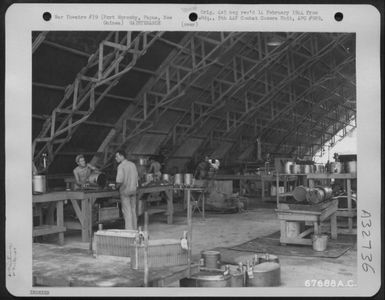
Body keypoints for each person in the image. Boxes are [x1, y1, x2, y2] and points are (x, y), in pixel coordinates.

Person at [115, 150, 139, 230]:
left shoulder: (121, 166)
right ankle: (135, 229)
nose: (116, 158)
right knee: (133, 210)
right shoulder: (133, 165)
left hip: (125, 191)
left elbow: (119, 181)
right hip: (133, 190)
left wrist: (115, 187)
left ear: (122, 156)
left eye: (117, 156)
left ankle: (129, 231)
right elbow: (137, 177)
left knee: (127, 212)